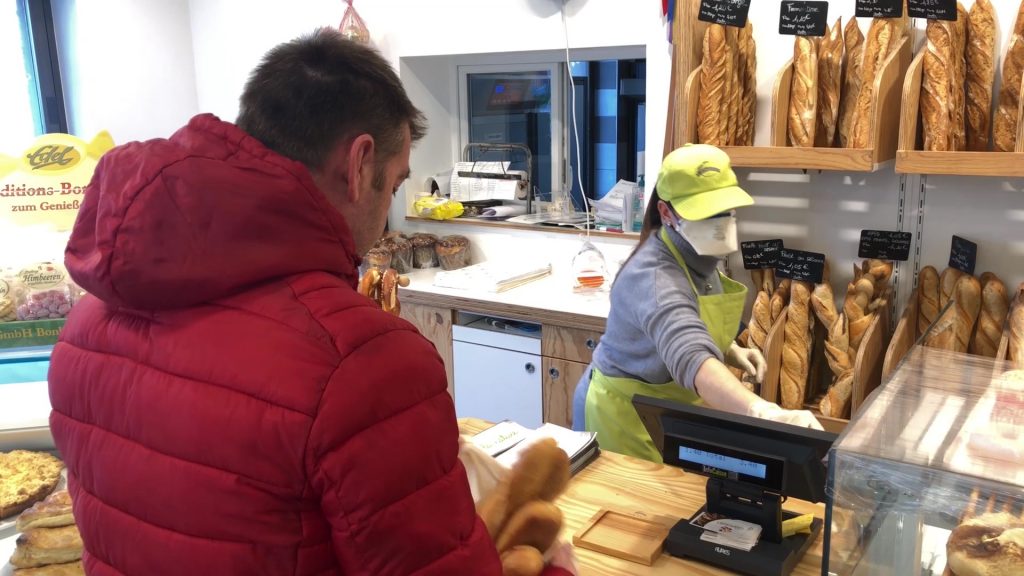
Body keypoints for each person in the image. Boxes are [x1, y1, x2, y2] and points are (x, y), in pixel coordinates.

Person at [48, 29, 568, 576]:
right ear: (359, 163)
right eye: (393, 187)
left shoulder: (84, 326)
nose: (388, 207)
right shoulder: (361, 361)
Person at [572, 144, 822, 462]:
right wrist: (762, 411)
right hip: (620, 413)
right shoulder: (654, 279)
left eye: (725, 211)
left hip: (664, 408)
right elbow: (688, 353)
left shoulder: (699, 254)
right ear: (666, 213)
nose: (719, 222)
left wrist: (730, 348)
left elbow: (693, 317)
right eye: (704, 214)